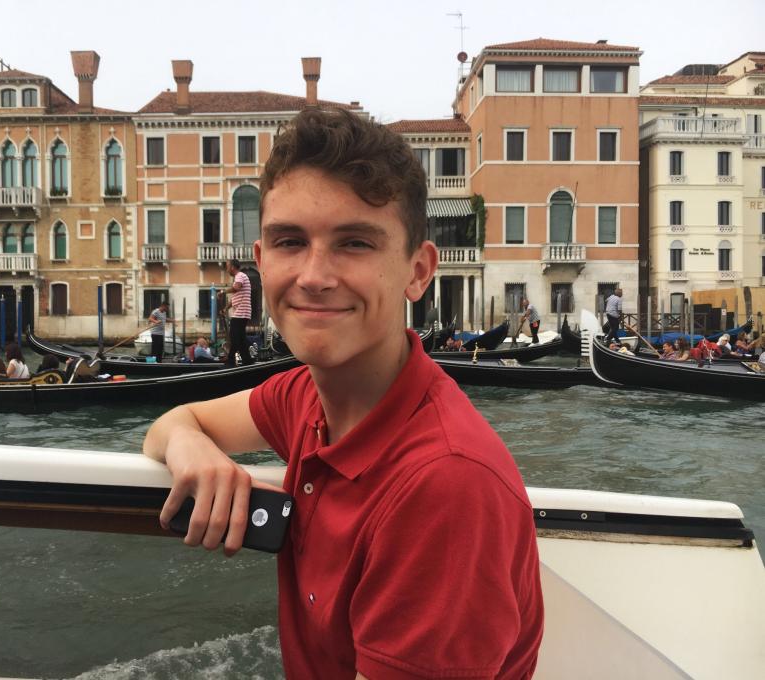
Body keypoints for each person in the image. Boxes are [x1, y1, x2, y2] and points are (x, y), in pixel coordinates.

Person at [142, 108, 542, 679]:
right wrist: (194, 450)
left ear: (418, 270)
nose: (313, 276)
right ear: (262, 263)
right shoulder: (305, 397)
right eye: (290, 241)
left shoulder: (446, 487)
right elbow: (173, 423)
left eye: (354, 243)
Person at [221, 258, 255, 368]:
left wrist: (223, 292)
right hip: (241, 312)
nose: (226, 269)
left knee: (235, 337)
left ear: (232, 267)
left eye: (227, 267)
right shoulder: (239, 277)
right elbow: (234, 298)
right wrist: (226, 308)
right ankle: (247, 361)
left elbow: (236, 288)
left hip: (241, 313)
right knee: (240, 338)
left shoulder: (240, 275)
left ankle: (231, 361)